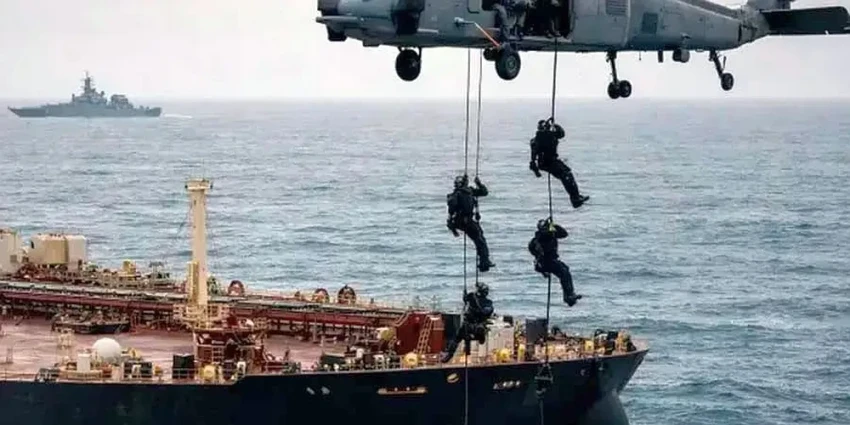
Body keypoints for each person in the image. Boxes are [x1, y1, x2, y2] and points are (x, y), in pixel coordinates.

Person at [529, 118, 589, 209]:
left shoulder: (541, 138)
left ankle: (576, 197)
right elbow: (561, 134)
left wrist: (554, 125)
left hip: (550, 161)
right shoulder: (544, 137)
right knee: (566, 176)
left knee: (567, 175)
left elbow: (561, 134)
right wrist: (554, 125)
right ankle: (575, 199)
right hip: (548, 162)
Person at [528, 217, 582, 306]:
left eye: (547, 228)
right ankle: (569, 296)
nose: (546, 230)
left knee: (565, 269)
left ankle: (568, 295)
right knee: (563, 272)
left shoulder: (552, 234)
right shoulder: (539, 239)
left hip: (551, 261)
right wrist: (539, 258)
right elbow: (532, 248)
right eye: (544, 228)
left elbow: (564, 234)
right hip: (545, 262)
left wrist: (554, 225)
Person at [447, 174, 495, 272]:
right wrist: (479, 184)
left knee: (480, 237)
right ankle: (484, 262)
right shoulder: (464, 193)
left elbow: (484, 192)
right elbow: (451, 211)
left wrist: (479, 184)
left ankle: (484, 261)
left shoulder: (463, 193)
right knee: (480, 240)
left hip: (463, 221)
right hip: (464, 221)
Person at [440, 281, 495, 363]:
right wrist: (465, 296)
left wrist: (476, 305)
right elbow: (466, 300)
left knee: (475, 332)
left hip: (476, 325)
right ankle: (449, 354)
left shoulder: (487, 303)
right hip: (468, 324)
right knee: (457, 338)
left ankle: (480, 336)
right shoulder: (473, 297)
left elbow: (485, 312)